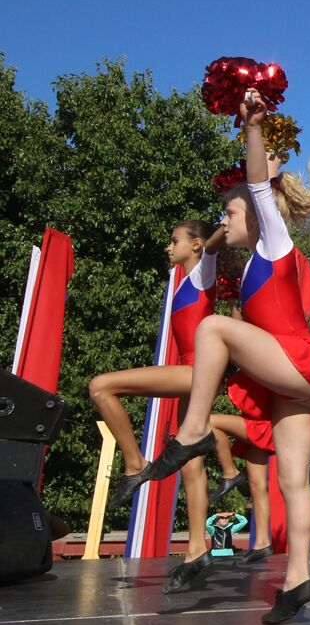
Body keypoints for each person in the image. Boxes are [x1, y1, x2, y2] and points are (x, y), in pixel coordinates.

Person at [122, 91, 310, 624]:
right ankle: (298, 577)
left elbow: (254, 188)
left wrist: (253, 128)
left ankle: (195, 430)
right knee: (293, 481)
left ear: (255, 213)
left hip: (291, 361)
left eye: (230, 213)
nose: (224, 221)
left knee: (213, 327)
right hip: (293, 379)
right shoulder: (251, 264)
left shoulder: (274, 242)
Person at [96, 219, 227, 592]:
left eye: (175, 241)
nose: (169, 248)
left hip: (194, 370)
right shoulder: (185, 281)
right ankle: (197, 548)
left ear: (196, 244)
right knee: (191, 464)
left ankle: (135, 463)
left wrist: (222, 225)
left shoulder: (203, 273)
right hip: (195, 374)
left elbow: (216, 244)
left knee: (101, 387)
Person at [208, 412, 274, 564]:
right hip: (261, 418)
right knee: (257, 484)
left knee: (204, 421)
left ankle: (230, 471)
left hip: (262, 420)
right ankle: (262, 542)